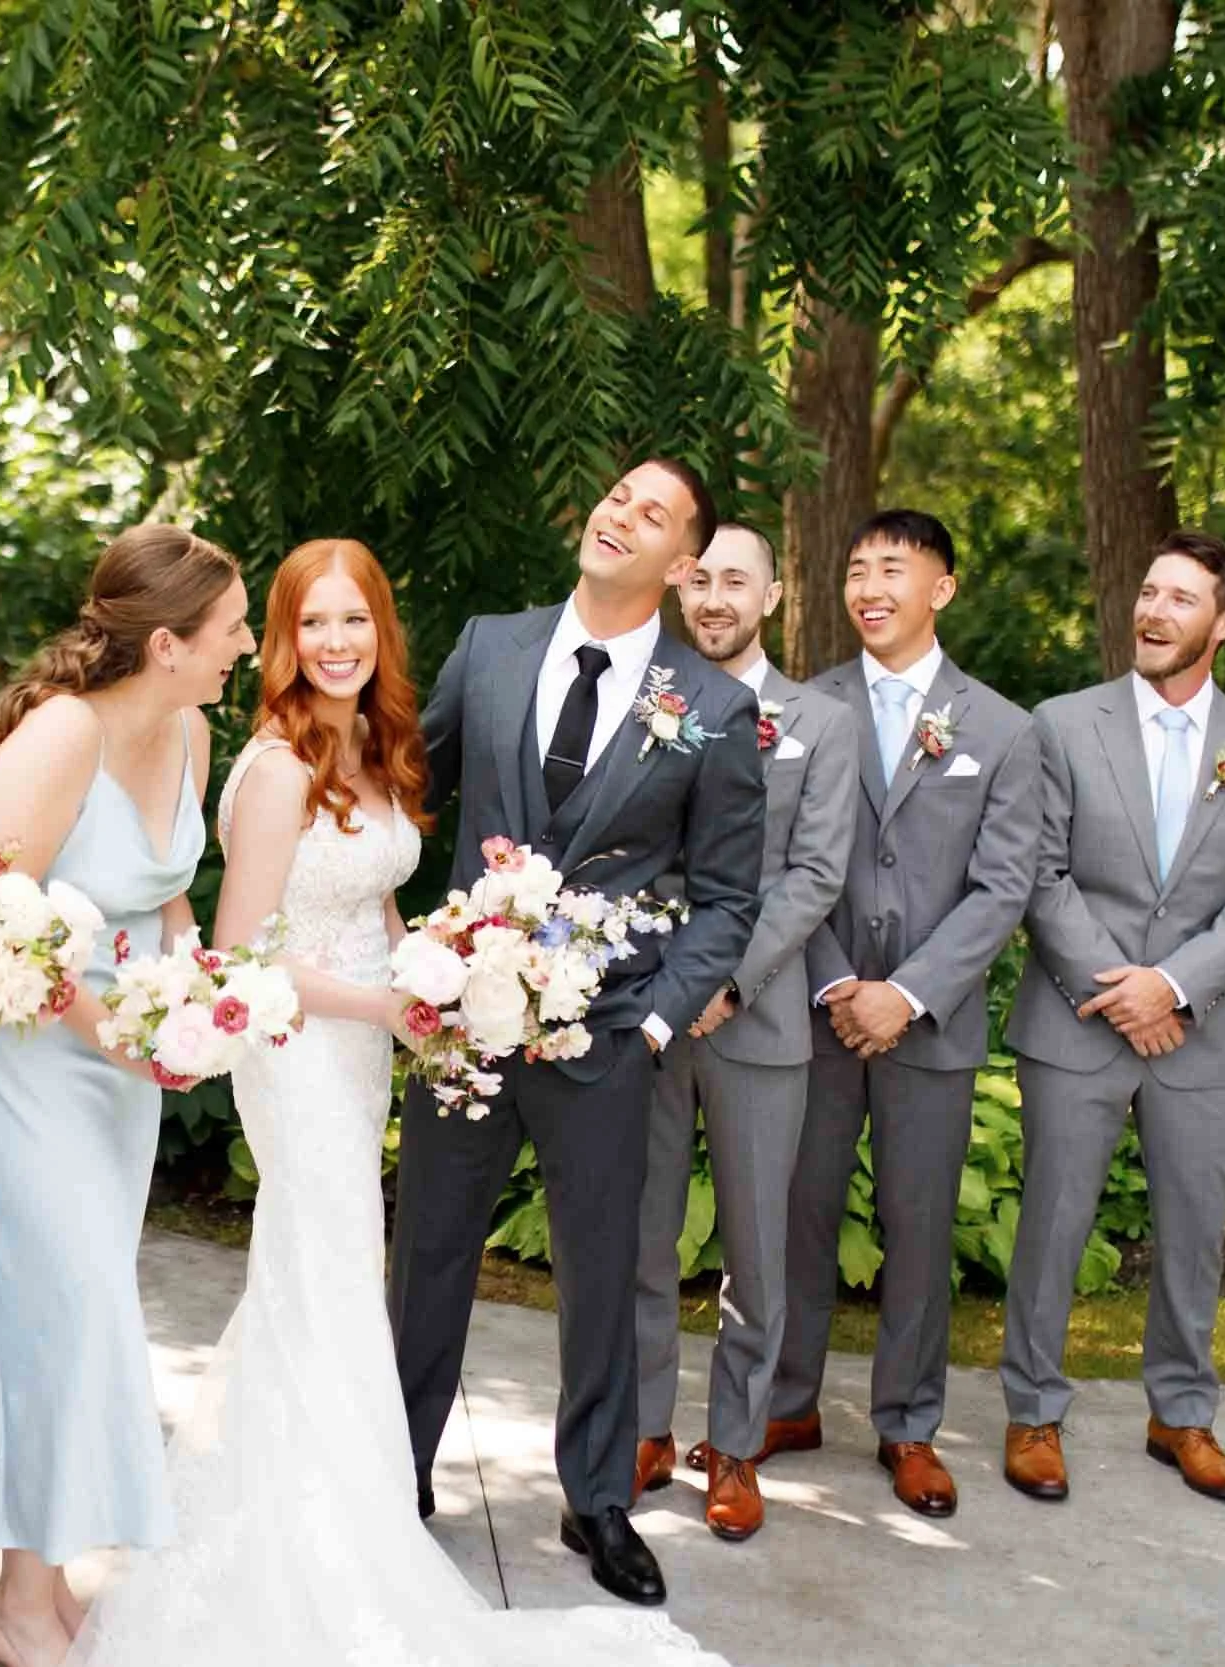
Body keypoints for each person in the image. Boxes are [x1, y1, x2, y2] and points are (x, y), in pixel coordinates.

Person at [67, 536, 728, 1667]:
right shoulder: (276, 768)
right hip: (303, 1047)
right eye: (311, 622)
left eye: (355, 621)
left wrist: (439, 965)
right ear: (280, 636)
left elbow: (371, 901)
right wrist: (387, 1004)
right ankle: (312, 1531)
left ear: (382, 632)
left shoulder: (370, 748)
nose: (335, 643)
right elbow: (244, 958)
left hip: (365, 1039)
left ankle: (338, 1496)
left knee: (326, 1272)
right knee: (319, 1265)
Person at [388, 459, 765, 1607]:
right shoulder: (487, 646)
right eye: (614, 496)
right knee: (428, 1255)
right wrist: (407, 943)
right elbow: (407, 793)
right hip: (461, 1027)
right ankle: (393, 1472)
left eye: (652, 514)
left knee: (603, 1267)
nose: (619, 515)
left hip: (606, 1035)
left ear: (683, 564)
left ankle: (597, 1494)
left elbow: (730, 897)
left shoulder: (711, 707)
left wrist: (653, 1023)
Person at [0, 525, 251, 1667]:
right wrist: (115, 1031)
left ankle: (46, 1580)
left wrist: (185, 1003)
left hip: (124, 1067)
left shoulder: (193, 728)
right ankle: (16, 1597)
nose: (246, 648)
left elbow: (166, 892)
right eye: (230, 631)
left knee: (81, 1317)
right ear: (165, 641)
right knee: (57, 1314)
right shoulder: (60, 733)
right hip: (29, 1059)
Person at [999, 531, 1225, 1506]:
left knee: (1192, 1229)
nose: (1153, 610)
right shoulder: (1061, 724)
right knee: (1052, 1220)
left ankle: (1180, 1412)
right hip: (1074, 1018)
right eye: (1147, 591)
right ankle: (1033, 1409)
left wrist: (1170, 987)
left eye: (1180, 598)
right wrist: (1118, 986)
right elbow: (1036, 872)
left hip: (1197, 1032)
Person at [772, 508, 1039, 1520]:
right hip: (818, 1007)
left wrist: (908, 993)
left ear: (942, 586)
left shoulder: (1002, 727)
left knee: (918, 1223)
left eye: (893, 566)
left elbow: (1003, 884)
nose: (869, 585)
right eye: (855, 568)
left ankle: (909, 1425)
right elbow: (789, 858)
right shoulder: (805, 707)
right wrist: (840, 982)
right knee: (797, 1209)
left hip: (932, 1021)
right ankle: (787, 1400)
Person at [633, 522, 855, 1542]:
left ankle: (732, 1443)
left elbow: (814, 871)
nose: (716, 596)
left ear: (772, 595)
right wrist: (669, 978)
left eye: (737, 580)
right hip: (645, 1011)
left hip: (757, 1014)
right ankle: (638, 1424)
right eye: (702, 579)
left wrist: (723, 977)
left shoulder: (820, 719)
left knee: (756, 1247)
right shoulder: (651, 701)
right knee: (637, 1227)